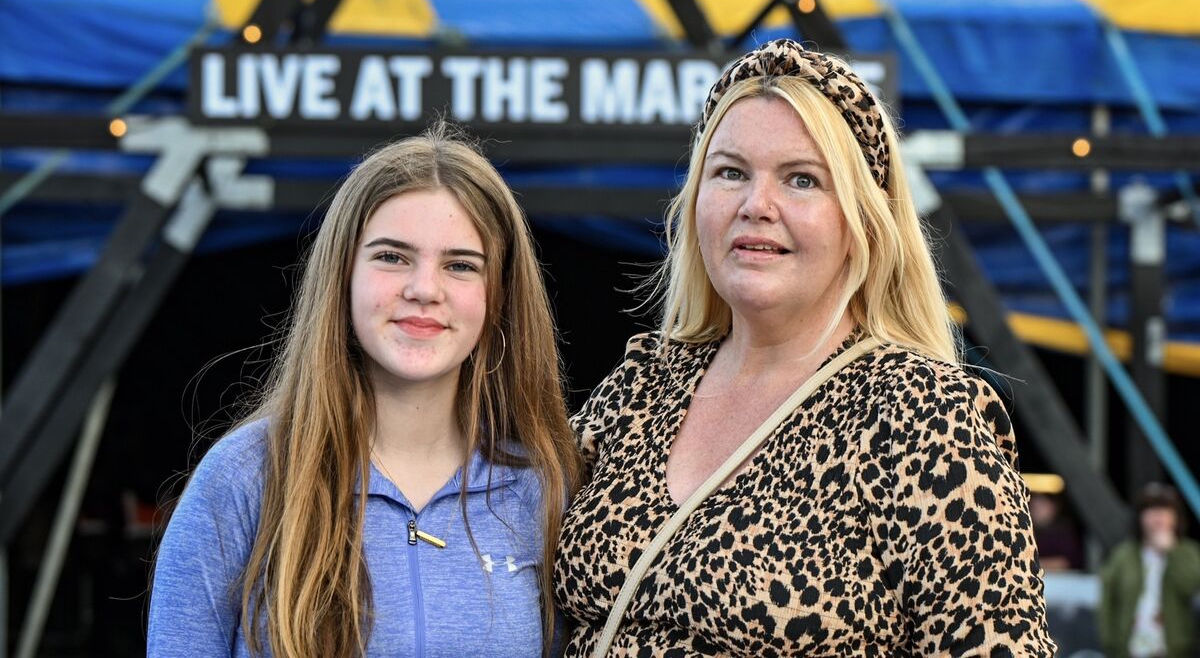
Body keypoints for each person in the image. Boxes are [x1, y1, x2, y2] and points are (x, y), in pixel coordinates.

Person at [553, 39, 1055, 656]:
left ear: (863, 223)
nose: (756, 205)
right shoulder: (643, 386)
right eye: (731, 172)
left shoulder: (924, 416)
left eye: (801, 180)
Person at [149, 123, 581, 657]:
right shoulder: (244, 478)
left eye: (461, 265)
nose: (424, 289)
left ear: (499, 296)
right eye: (392, 257)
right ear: (343, 276)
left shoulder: (545, 489)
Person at [1099, 482, 1200, 658]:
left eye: (1166, 511)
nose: (1158, 517)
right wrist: (1111, 643)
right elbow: (1107, 600)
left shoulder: (1188, 552)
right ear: (1140, 517)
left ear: (1176, 517)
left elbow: (1191, 587)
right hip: (1130, 649)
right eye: (1151, 510)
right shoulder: (1124, 555)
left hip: (1175, 650)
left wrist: (1173, 551)